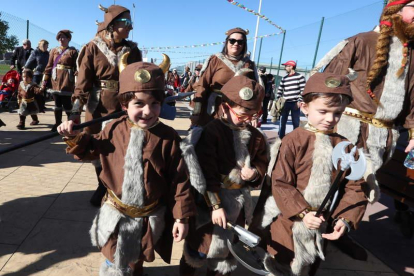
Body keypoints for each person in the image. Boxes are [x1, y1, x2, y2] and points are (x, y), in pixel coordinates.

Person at [57, 61, 196, 276]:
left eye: (155, 103)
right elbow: (90, 150)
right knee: (116, 261)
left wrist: (181, 217)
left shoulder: (169, 138)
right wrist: (73, 136)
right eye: (139, 104)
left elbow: (179, 180)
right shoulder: (113, 128)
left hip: (148, 216)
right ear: (124, 105)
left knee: (137, 258)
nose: (148, 111)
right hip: (116, 213)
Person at [258, 71, 368, 276]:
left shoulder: (345, 146)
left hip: (323, 225)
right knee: (281, 265)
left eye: (337, 113)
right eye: (323, 111)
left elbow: (355, 186)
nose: (330, 119)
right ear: (305, 107)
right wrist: (302, 213)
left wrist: (344, 219)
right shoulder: (293, 140)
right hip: (289, 223)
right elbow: (281, 182)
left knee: (310, 268)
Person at [313, 0, 414, 205]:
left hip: (382, 138)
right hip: (346, 129)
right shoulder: (362, 40)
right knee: (326, 184)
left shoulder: (411, 54)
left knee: (359, 189)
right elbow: (330, 82)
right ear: (394, 10)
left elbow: (413, 97)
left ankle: (342, 227)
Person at [179, 73, 268, 276]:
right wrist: (216, 205)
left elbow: (262, 161)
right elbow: (205, 173)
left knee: (226, 253)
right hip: (209, 202)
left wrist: (255, 174)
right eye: (242, 114)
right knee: (198, 247)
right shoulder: (211, 132)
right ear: (225, 107)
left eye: (253, 115)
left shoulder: (256, 137)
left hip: (237, 205)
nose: (248, 120)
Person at [71, 4, 142, 207]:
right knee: (96, 147)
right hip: (97, 104)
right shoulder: (92, 47)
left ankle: (112, 186)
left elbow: (137, 78)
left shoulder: (133, 50)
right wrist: (75, 110)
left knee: (121, 146)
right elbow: (83, 80)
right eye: (126, 23)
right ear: (112, 24)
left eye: (131, 23)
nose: (130, 27)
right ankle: (102, 185)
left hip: (123, 104)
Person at [190, 27, 262, 127]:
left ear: (244, 44)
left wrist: (254, 116)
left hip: (238, 113)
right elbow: (202, 85)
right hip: (213, 109)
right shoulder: (215, 60)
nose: (236, 44)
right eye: (232, 41)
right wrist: (196, 111)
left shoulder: (249, 64)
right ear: (226, 42)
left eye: (240, 42)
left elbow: (256, 91)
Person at [42, 30, 78, 132]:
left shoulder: (73, 51)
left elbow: (77, 67)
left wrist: (76, 78)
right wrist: (45, 81)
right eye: (59, 38)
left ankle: (70, 124)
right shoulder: (54, 51)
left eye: (63, 38)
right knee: (57, 104)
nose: (61, 40)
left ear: (68, 39)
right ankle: (57, 123)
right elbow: (49, 66)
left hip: (67, 80)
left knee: (67, 104)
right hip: (55, 80)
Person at [275, 60, 306, 138]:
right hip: (285, 103)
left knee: (296, 122)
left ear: (291, 66)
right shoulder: (284, 78)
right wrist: (278, 99)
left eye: (286, 66)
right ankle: (281, 138)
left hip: (295, 102)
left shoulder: (300, 77)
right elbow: (280, 89)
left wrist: (299, 101)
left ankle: (296, 138)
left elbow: (303, 90)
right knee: (282, 122)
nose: (285, 68)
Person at [25, 39, 50, 112]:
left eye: (47, 46)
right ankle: (35, 105)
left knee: (43, 89)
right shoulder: (35, 52)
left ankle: (42, 105)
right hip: (36, 74)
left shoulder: (47, 53)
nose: (47, 48)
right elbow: (28, 63)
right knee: (35, 90)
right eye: (46, 46)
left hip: (45, 74)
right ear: (42, 45)